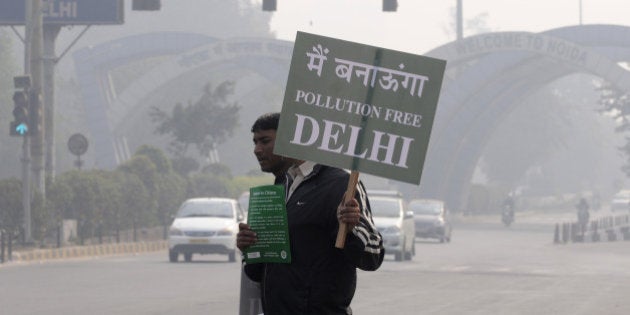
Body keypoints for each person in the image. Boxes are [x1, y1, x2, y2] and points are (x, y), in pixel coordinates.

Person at [237, 112, 385, 314]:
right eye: (255, 142)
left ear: (292, 137)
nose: (257, 150)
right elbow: (258, 272)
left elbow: (373, 255)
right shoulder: (281, 186)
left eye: (265, 141)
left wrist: (352, 228)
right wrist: (249, 248)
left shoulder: (342, 185)